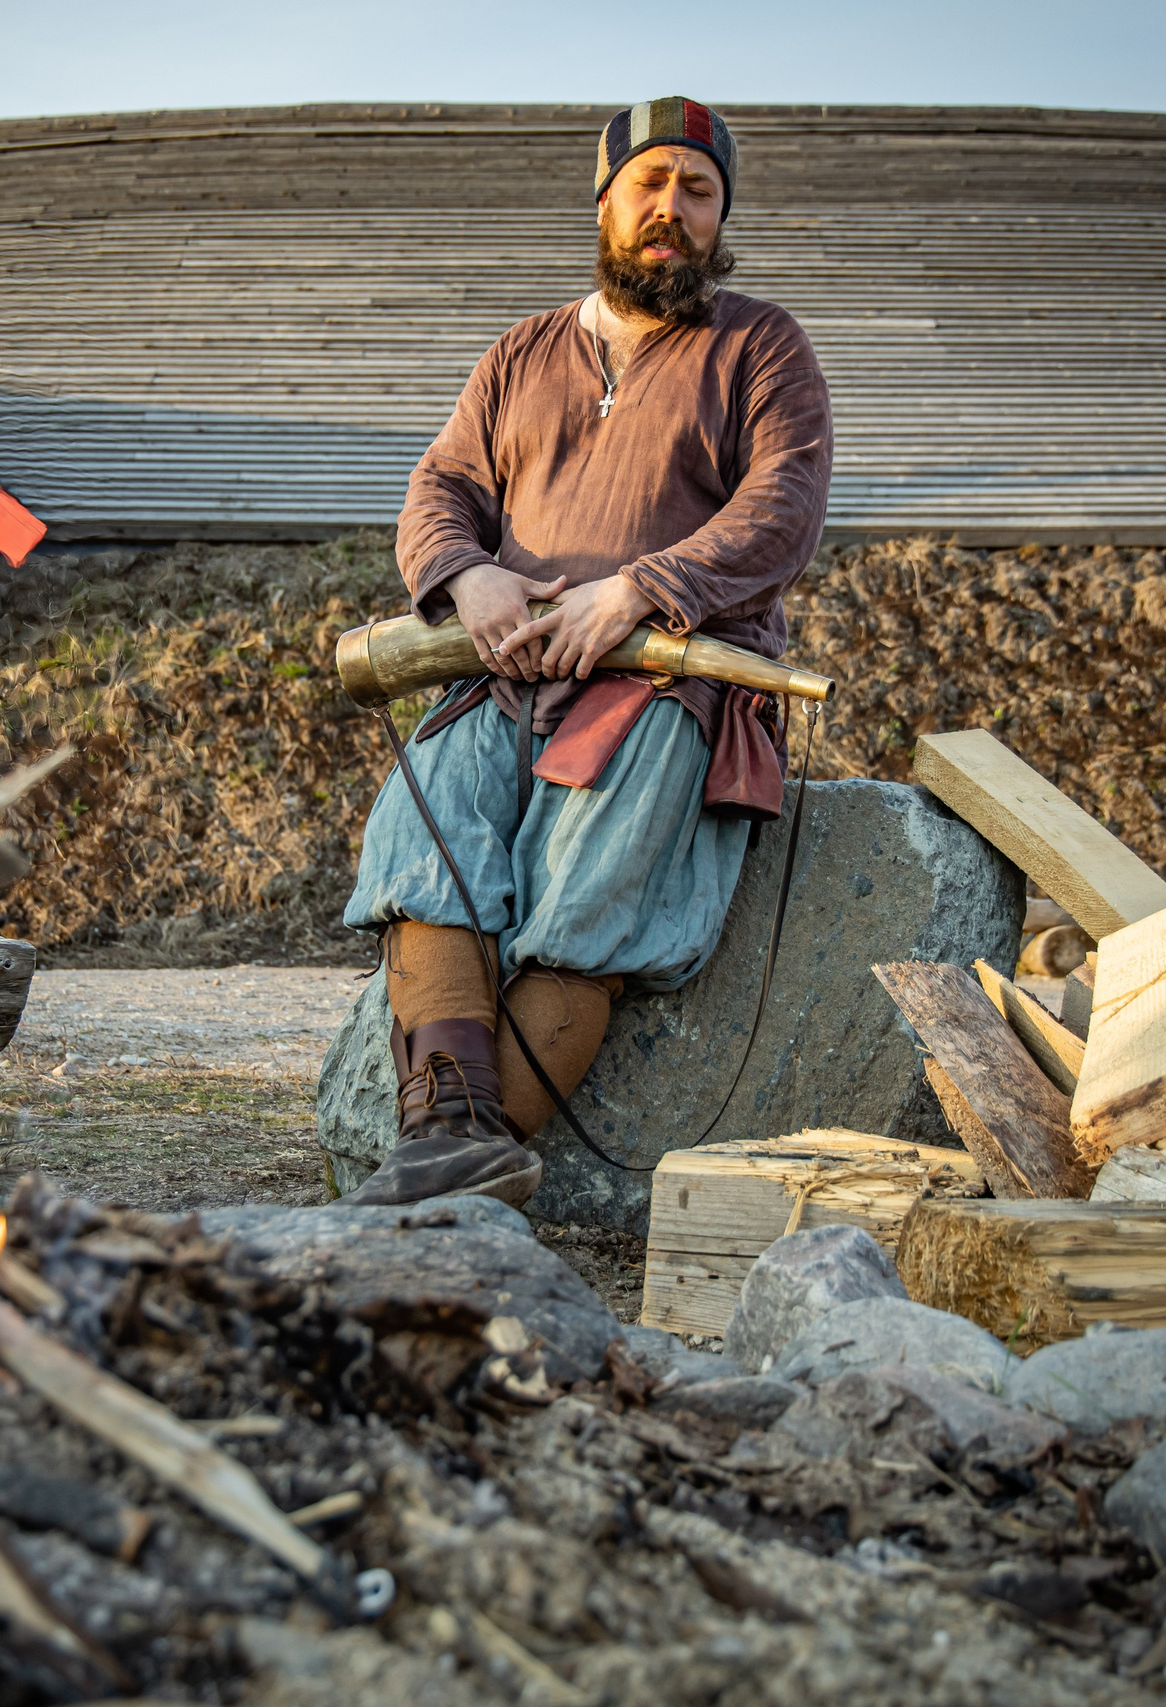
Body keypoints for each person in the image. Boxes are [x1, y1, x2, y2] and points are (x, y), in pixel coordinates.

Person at [341, 97, 834, 1207]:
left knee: (584, 903)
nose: (672, 211)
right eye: (650, 185)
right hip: (495, 676)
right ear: (605, 201)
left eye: (697, 192)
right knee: (429, 859)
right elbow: (442, 488)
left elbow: (783, 508)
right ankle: (448, 1148)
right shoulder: (521, 352)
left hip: (668, 682)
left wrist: (638, 590)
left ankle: (457, 1167)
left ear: (720, 215)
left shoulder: (761, 346)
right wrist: (469, 577)